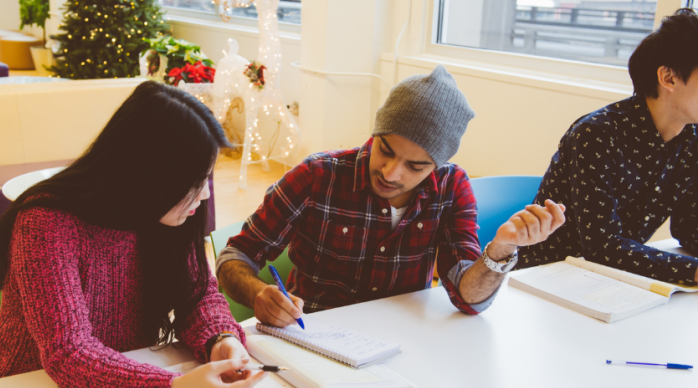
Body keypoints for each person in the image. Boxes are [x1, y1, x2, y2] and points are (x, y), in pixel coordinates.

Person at [216, 65, 567, 327]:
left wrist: (501, 250)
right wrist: (257, 293)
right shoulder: (317, 175)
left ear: (437, 165)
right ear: (375, 131)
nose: (391, 173)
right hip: (313, 332)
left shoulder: (451, 186)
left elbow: (468, 299)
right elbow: (236, 255)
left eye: (415, 166)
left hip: (398, 341)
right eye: (384, 149)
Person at [0, 82, 266, 388]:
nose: (205, 194)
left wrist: (220, 338)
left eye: (206, 177)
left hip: (122, 374)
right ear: (149, 175)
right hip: (26, 380)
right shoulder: (46, 223)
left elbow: (196, 296)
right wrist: (175, 385)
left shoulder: (162, 218)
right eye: (193, 180)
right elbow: (70, 354)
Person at [517, 8, 698, 285]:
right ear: (669, 78)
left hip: (614, 282)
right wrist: (692, 271)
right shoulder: (596, 134)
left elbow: (688, 228)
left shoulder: (692, 140)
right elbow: (602, 247)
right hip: (548, 279)